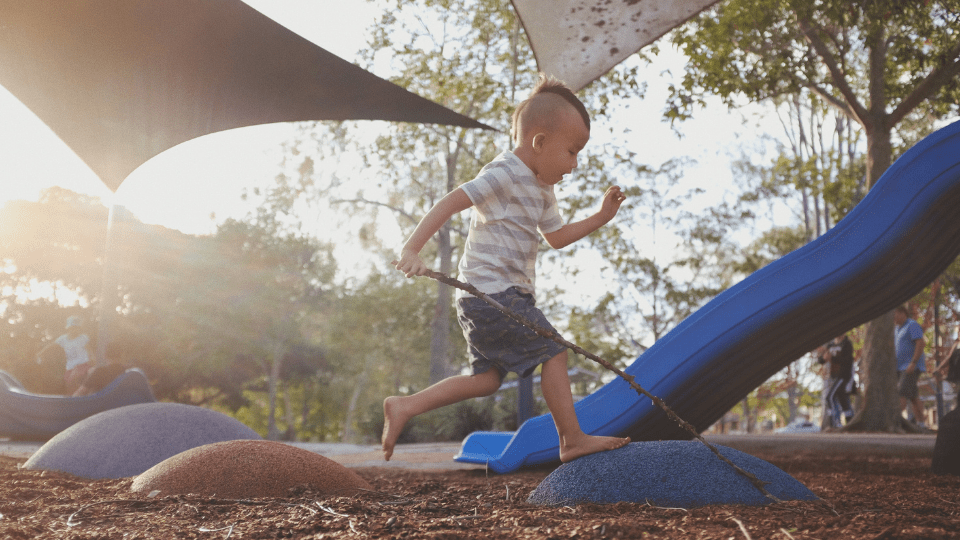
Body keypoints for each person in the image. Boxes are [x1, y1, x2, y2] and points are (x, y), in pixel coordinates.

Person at [385, 74, 630, 463]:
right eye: (571, 152)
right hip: (491, 293)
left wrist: (601, 216)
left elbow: (557, 237)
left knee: (486, 380)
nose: (574, 165)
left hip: (495, 297)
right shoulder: (505, 172)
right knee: (555, 352)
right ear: (539, 142)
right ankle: (571, 440)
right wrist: (413, 248)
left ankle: (405, 405)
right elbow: (450, 202)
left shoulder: (543, 189)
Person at [38, 315, 97, 395]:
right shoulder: (63, 339)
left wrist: (93, 359)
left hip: (83, 365)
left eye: (76, 328)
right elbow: (51, 346)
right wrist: (40, 354)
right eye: (72, 328)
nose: (74, 330)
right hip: (70, 367)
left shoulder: (82, 338)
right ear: (68, 328)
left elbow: (89, 349)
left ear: (79, 329)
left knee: (73, 378)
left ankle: (77, 396)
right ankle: (71, 398)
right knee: (67, 383)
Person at [893, 305, 927, 428]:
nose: (893, 318)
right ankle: (921, 424)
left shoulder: (912, 325)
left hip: (910, 367)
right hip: (899, 367)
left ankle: (894, 423)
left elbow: (920, 343)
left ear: (902, 313)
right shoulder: (897, 329)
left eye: (894, 314)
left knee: (901, 393)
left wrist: (913, 362)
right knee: (913, 397)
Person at [818, 332, 856, 427]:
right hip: (832, 377)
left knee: (830, 397)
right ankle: (850, 422)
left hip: (843, 376)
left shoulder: (847, 343)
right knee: (843, 399)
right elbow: (822, 359)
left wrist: (832, 358)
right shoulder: (830, 345)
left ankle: (834, 424)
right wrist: (823, 358)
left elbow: (847, 361)